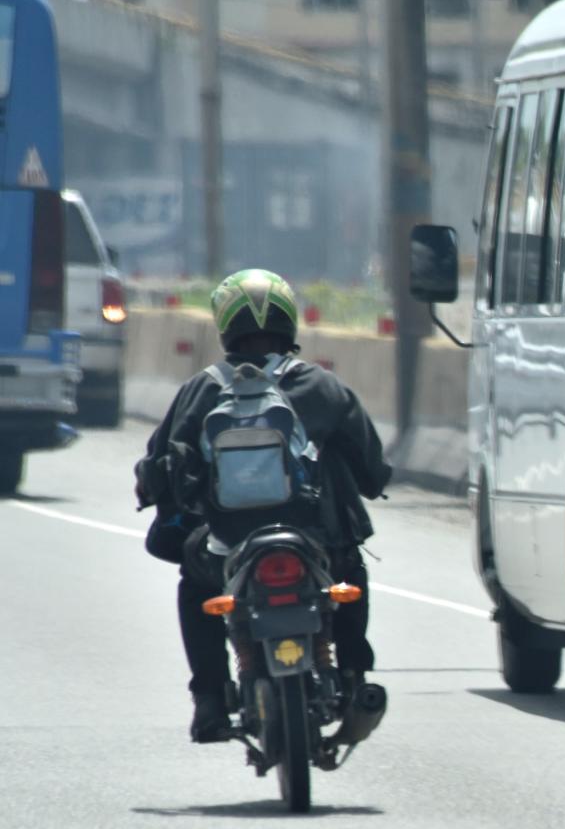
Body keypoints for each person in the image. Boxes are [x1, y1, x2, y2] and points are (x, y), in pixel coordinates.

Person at [134, 269, 393, 742]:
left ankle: (210, 697)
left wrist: (160, 495)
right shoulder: (322, 386)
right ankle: (355, 676)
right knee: (350, 574)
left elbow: (156, 468)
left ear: (225, 326)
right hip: (317, 541)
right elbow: (372, 469)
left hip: (227, 544)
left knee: (196, 590)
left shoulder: (202, 389)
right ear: (289, 323)